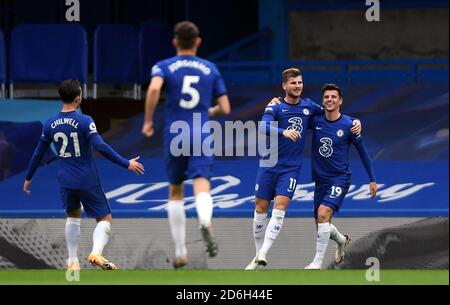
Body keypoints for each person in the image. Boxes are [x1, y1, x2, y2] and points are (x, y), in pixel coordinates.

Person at [245, 69, 361, 270]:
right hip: (269, 164)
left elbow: (331, 113)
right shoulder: (275, 107)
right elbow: (263, 128)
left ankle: (263, 253)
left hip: (291, 168)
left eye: (299, 82)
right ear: (284, 86)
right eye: (293, 83)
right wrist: (284, 131)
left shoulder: (309, 107)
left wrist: (355, 122)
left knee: (280, 208)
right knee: (260, 208)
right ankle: (257, 255)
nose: (297, 86)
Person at [23, 79, 145, 271]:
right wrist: (126, 163)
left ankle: (72, 261)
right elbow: (100, 146)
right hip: (86, 178)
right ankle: (96, 252)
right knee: (105, 218)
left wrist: (28, 177)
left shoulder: (51, 123)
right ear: (78, 98)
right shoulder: (85, 121)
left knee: (72, 217)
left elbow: (38, 153)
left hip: (65, 180)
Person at [141, 21, 231, 269]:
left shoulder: (164, 66)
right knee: (202, 183)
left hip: (175, 133)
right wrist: (208, 111)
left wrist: (148, 121)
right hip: (200, 131)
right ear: (198, 42)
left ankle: (181, 252)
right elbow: (225, 108)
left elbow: (154, 89)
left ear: (175, 42)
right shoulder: (210, 68)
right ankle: (205, 220)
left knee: (176, 190)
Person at [304, 83, 377, 270]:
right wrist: (277, 102)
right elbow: (295, 111)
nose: (330, 99)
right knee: (322, 224)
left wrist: (372, 179)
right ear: (323, 101)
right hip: (320, 181)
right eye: (326, 97)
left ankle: (316, 263)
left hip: (339, 178)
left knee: (322, 214)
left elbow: (363, 152)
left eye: (333, 97)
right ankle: (342, 240)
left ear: (340, 100)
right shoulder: (316, 120)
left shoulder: (349, 125)